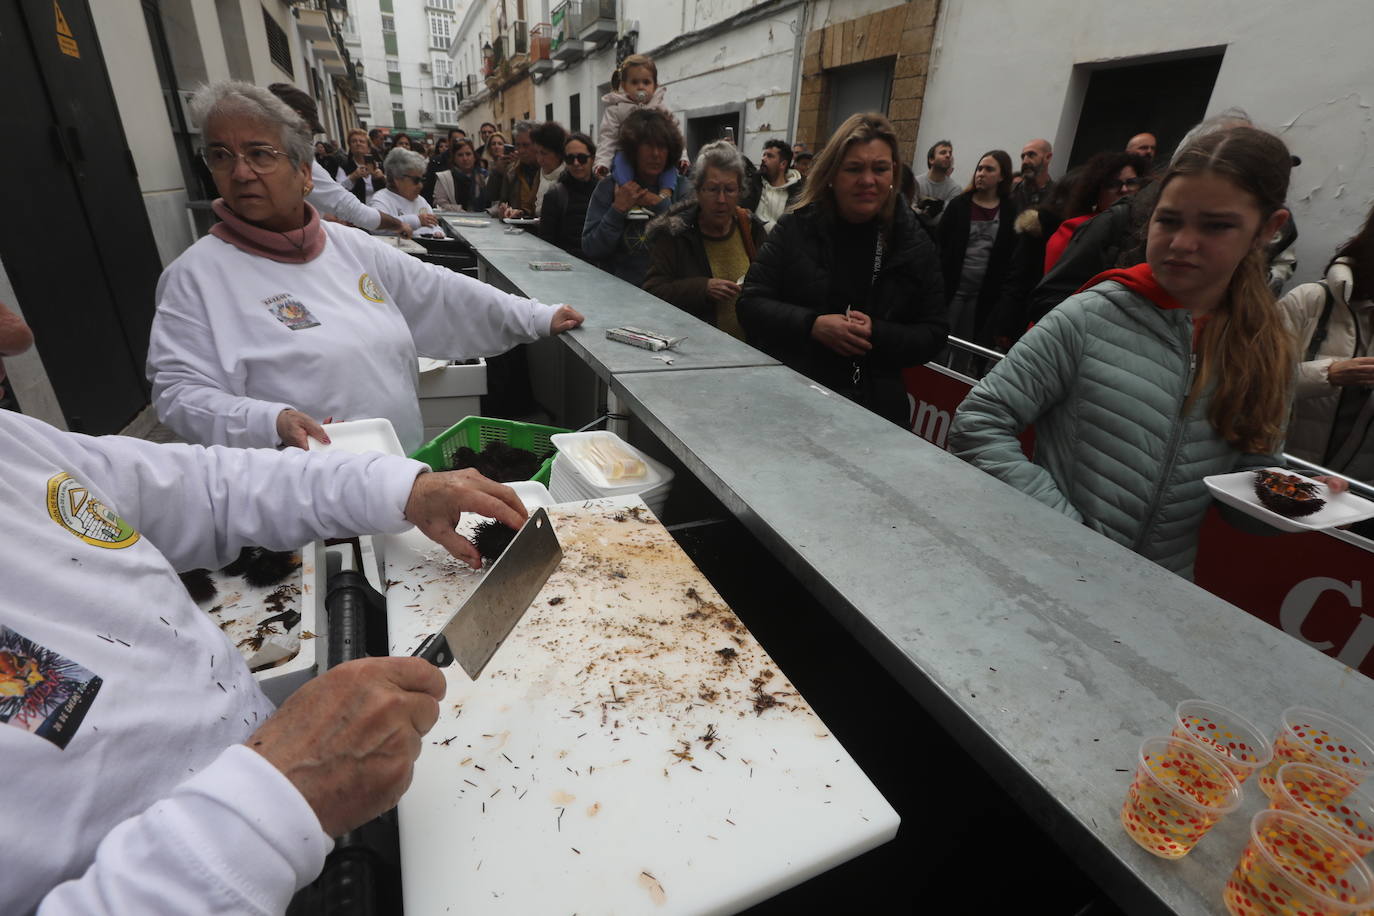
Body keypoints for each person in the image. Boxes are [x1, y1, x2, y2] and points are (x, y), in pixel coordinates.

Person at [0, 295, 534, 911]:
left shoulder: (16, 449)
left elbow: (205, 488)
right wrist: (272, 805)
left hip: (299, 805)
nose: (16, 334)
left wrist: (402, 485)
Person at [949, 126, 1348, 579]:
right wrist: (1064, 529)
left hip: (1159, 596)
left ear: (1268, 230)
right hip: (1045, 574)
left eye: (1217, 225)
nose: (1182, 243)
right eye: (1169, 220)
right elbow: (979, 422)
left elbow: (1247, 485)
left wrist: (1297, 501)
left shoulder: (1266, 346)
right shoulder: (1090, 316)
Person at [147, 81, 583, 454]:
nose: (241, 172)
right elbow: (178, 393)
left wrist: (536, 316)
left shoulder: (350, 247)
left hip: (399, 479)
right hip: (301, 508)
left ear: (304, 174)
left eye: (260, 154)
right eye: (221, 156)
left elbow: (438, 290)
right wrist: (268, 420)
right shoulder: (195, 277)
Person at [739, 113, 947, 425]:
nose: (868, 180)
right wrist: (812, 325)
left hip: (874, 411)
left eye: (879, 168)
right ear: (833, 174)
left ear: (893, 173)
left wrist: (877, 333)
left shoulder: (914, 240)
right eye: (854, 168)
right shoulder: (795, 228)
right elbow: (750, 305)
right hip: (790, 403)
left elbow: (933, 333)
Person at [1278, 201, 1374, 485]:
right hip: (1284, 481)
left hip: (1358, 502)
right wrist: (1328, 375)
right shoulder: (1310, 302)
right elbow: (1246, 386)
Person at [644, 141, 768, 339]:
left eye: (729, 190)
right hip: (695, 352)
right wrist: (702, 288)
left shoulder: (751, 229)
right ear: (698, 191)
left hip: (748, 354)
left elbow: (771, 287)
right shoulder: (675, 234)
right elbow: (652, 292)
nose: (721, 199)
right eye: (712, 189)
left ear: (740, 192)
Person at [267, 84, 408, 236]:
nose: (311, 141)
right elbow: (350, 207)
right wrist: (398, 224)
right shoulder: (292, 159)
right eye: (312, 132)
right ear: (298, 118)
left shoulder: (258, 154)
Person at [582, 108, 693, 286]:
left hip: (667, 297)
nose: (656, 154)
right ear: (633, 149)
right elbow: (591, 248)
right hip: (617, 294)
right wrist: (617, 210)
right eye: (648, 146)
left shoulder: (683, 189)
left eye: (662, 146)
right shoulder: (609, 188)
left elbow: (688, 250)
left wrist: (658, 204)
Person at [936, 150, 1018, 352]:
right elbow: (939, 245)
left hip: (984, 295)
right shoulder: (959, 205)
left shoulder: (1009, 211)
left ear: (1001, 176)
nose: (981, 173)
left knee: (970, 348)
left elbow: (1009, 256)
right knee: (941, 344)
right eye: (979, 168)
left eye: (989, 169)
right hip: (952, 290)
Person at [1042, 151, 1148, 273]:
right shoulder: (1074, 229)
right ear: (1096, 192)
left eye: (1132, 182)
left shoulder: (1149, 228)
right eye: (1113, 184)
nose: (1124, 190)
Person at [594, 54, 687, 188]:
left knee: (669, 166)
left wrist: (682, 157)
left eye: (646, 82)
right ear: (624, 86)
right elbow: (607, 138)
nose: (640, 87)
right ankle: (629, 190)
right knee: (620, 162)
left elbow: (675, 136)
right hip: (626, 153)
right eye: (635, 82)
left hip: (656, 155)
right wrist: (602, 163)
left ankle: (666, 193)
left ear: (655, 86)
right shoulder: (616, 110)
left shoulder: (660, 109)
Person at [537, 132, 598, 260]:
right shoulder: (555, 195)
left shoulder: (605, 192)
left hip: (602, 269)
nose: (576, 163)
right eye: (570, 158)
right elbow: (546, 243)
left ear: (592, 158)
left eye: (582, 158)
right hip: (566, 269)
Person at [369, 148, 444, 238]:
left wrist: (438, 232)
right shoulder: (381, 199)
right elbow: (377, 227)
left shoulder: (421, 200)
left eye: (422, 180)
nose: (420, 185)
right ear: (397, 179)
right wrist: (417, 220)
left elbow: (435, 225)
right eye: (416, 180)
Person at [742, 138, 804, 232]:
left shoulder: (797, 193)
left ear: (783, 164)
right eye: (764, 155)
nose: (763, 159)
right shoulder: (754, 184)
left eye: (770, 156)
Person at [494, 121, 541, 218]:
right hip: (516, 227)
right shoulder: (511, 170)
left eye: (526, 145)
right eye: (518, 145)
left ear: (538, 145)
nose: (521, 150)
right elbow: (503, 201)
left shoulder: (547, 169)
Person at [432, 137, 488, 212]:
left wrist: (488, 212)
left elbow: (496, 203)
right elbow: (439, 203)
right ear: (454, 158)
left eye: (468, 154)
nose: (465, 158)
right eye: (460, 155)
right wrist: (460, 210)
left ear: (474, 157)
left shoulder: (485, 176)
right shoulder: (444, 177)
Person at [914, 140, 961, 225]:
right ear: (931, 159)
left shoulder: (955, 189)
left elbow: (946, 219)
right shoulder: (915, 182)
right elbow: (909, 213)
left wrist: (920, 213)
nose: (948, 155)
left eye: (950, 153)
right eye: (943, 152)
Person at [529, 120, 568, 217]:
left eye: (544, 153)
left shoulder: (569, 175)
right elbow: (531, 207)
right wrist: (519, 213)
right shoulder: (539, 174)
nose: (539, 159)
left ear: (559, 153)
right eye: (537, 153)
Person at [336, 128, 386, 204]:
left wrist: (382, 177)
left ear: (369, 148)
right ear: (350, 147)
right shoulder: (344, 167)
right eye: (354, 141)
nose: (358, 143)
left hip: (380, 209)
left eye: (361, 141)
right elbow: (338, 191)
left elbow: (393, 188)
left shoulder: (379, 165)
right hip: (355, 210)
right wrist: (352, 177)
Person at [1011, 138, 1055, 212]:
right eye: (1023, 157)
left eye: (1031, 155)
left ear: (1048, 157)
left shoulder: (1058, 196)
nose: (1025, 161)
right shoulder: (1010, 192)